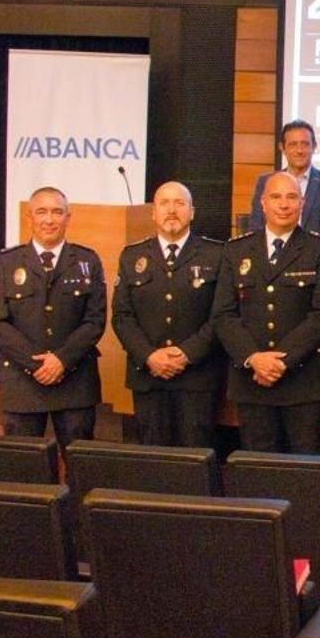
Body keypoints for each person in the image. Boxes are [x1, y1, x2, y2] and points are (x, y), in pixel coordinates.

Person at [211, 171, 320, 454]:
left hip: (305, 383)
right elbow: (223, 314)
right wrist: (254, 359)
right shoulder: (236, 251)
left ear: (302, 203)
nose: (284, 204)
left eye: (291, 197)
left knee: (306, 475)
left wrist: (280, 361)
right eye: (276, 197)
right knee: (257, 473)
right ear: (262, 203)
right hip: (253, 381)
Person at [0, 186, 106, 448]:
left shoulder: (88, 261)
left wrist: (61, 360)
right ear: (30, 217)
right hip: (22, 381)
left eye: (57, 212)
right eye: (41, 212)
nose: (49, 219)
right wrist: (37, 364)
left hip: (74, 380)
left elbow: (95, 321)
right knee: (23, 470)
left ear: (68, 217)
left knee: (81, 467)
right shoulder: (7, 262)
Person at [110, 180, 223, 448]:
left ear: (192, 212)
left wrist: (185, 354)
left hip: (197, 376)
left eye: (180, 203)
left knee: (196, 456)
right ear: (153, 212)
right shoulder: (132, 256)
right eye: (164, 203)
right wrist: (149, 356)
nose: (172, 210)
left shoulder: (216, 254)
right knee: (152, 457)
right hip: (148, 375)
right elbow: (122, 316)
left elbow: (221, 316)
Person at [247, 120, 320, 237]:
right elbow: (255, 229)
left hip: (313, 253)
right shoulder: (266, 182)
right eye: (293, 144)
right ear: (282, 147)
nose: (299, 151)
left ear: (314, 147)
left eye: (305, 144)